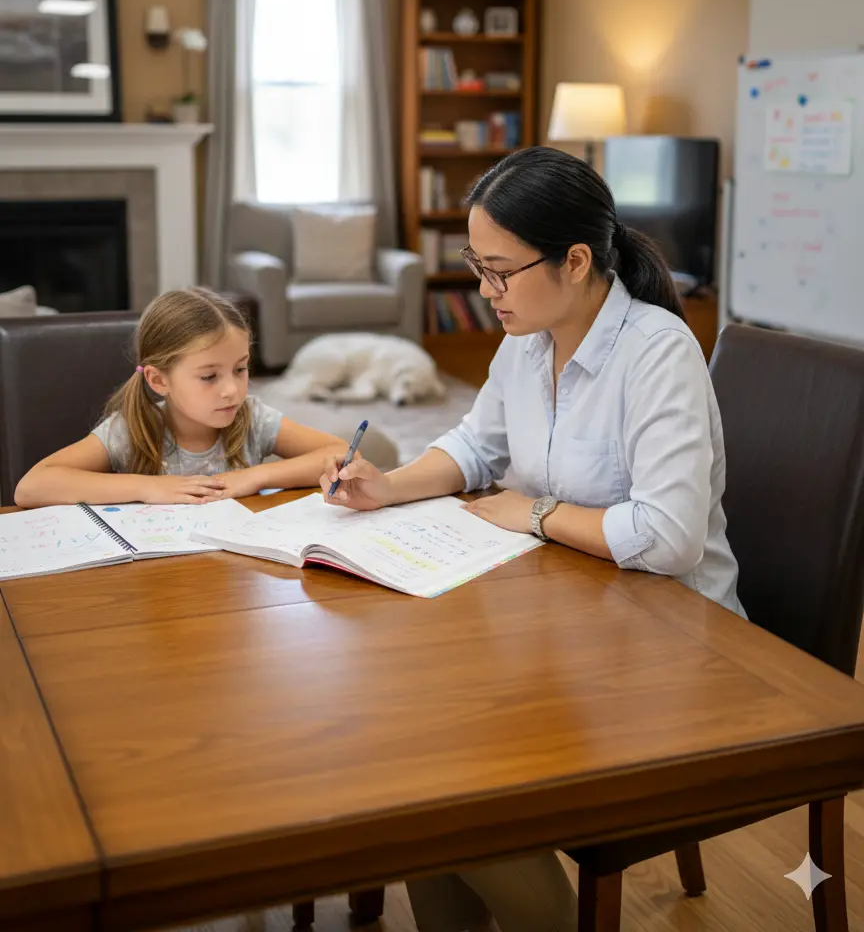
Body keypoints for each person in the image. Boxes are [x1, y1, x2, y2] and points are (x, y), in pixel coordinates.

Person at [318, 147, 744, 932]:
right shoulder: (527, 340)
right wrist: (389, 484)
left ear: (576, 260)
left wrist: (535, 513)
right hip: (576, 624)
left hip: (677, 648)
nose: (484, 293)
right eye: (476, 265)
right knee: (418, 749)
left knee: (451, 777)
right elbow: (478, 445)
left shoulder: (656, 353)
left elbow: (671, 536)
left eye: (500, 271)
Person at [15, 287, 347, 508]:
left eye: (241, 369)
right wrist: (147, 488)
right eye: (209, 376)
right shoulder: (132, 430)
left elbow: (342, 454)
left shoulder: (253, 419)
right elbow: (32, 486)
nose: (231, 389)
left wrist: (254, 476)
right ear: (159, 380)